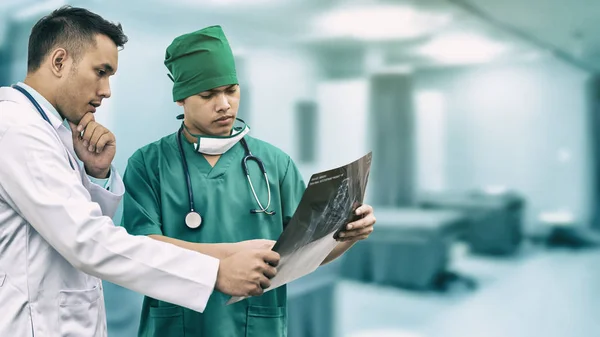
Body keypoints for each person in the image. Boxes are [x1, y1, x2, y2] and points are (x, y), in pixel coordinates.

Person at [0, 7, 281, 336]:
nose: (106, 90)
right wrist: (215, 272)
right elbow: (88, 242)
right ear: (59, 61)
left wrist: (96, 173)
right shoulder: (16, 128)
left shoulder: (53, 131)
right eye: (100, 72)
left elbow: (80, 224)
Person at [121, 25, 377, 337]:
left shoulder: (274, 163)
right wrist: (229, 259)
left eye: (231, 90)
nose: (224, 105)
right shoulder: (149, 164)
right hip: (178, 326)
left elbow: (306, 254)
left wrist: (347, 235)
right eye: (208, 94)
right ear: (181, 99)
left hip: (255, 325)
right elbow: (141, 248)